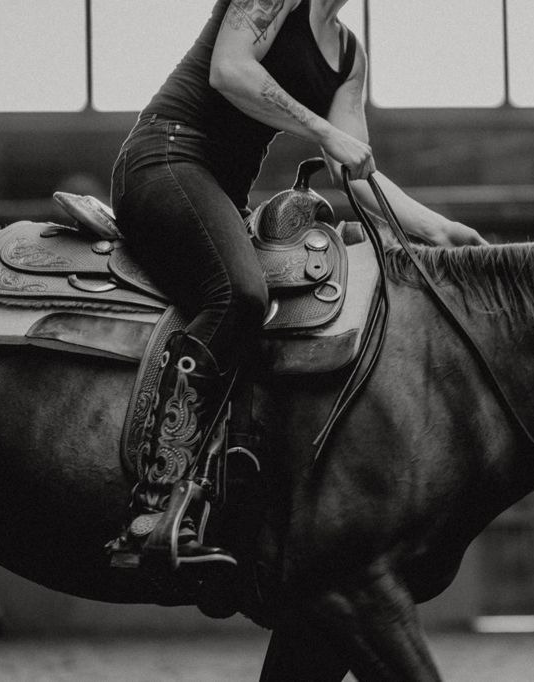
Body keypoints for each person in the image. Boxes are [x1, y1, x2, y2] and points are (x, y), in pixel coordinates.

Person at [107, 0, 486, 571]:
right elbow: (230, 70)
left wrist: (438, 227)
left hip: (221, 195)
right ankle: (157, 503)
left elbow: (355, 172)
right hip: (166, 158)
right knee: (240, 294)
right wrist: (324, 130)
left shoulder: (349, 57)